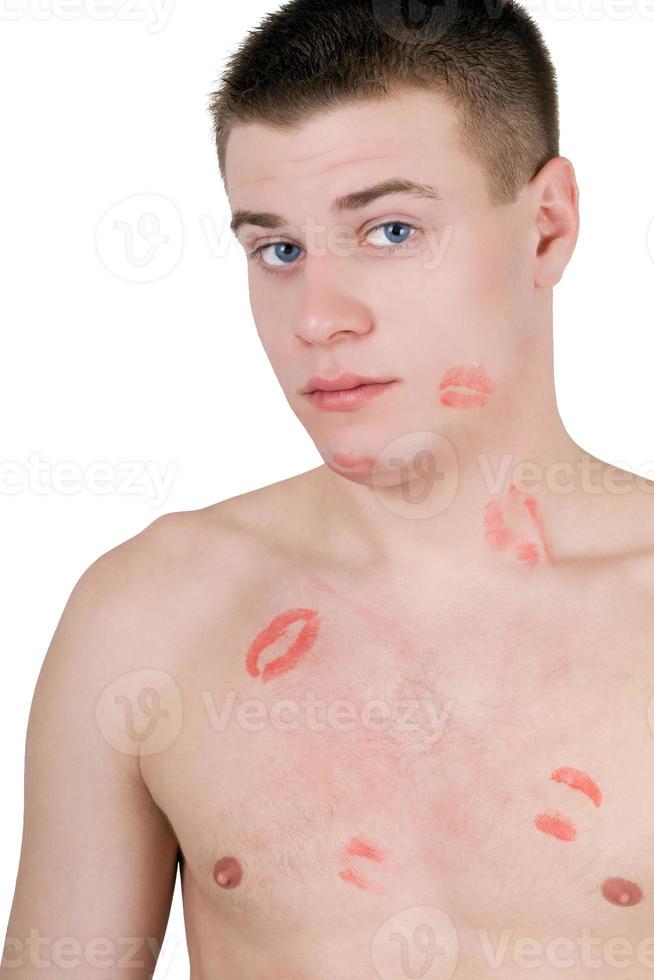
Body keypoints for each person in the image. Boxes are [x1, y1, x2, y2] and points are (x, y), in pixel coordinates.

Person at [4, 0, 654, 977]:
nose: (318, 316)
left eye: (390, 230)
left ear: (548, 227)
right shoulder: (149, 614)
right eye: (278, 249)